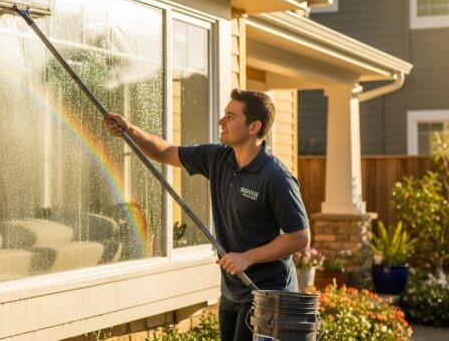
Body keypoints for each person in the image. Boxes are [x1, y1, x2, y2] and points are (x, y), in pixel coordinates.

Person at [103, 88, 310, 341]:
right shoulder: (218, 157)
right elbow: (165, 151)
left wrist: (247, 257)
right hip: (233, 290)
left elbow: (299, 237)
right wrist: (129, 130)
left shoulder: (276, 177)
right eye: (224, 114)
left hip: (267, 292)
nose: (221, 121)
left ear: (254, 126)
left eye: (231, 116)